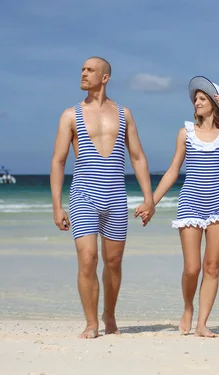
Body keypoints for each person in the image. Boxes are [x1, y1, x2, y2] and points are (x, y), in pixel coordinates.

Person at [137, 76, 219, 337]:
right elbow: (172, 172)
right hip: (190, 201)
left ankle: (202, 323)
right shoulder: (186, 133)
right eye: (196, 99)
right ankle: (188, 307)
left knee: (212, 266)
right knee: (192, 268)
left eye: (203, 99)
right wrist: (151, 203)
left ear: (214, 103)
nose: (197, 102)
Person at [50, 56, 155, 339]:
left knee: (113, 262)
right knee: (87, 259)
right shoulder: (70, 115)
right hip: (83, 195)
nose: (83, 73)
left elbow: (137, 157)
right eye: (82, 69)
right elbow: (58, 161)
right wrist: (57, 205)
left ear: (105, 77)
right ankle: (91, 322)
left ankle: (109, 315)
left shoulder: (124, 114)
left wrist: (149, 199)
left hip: (116, 197)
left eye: (90, 70)